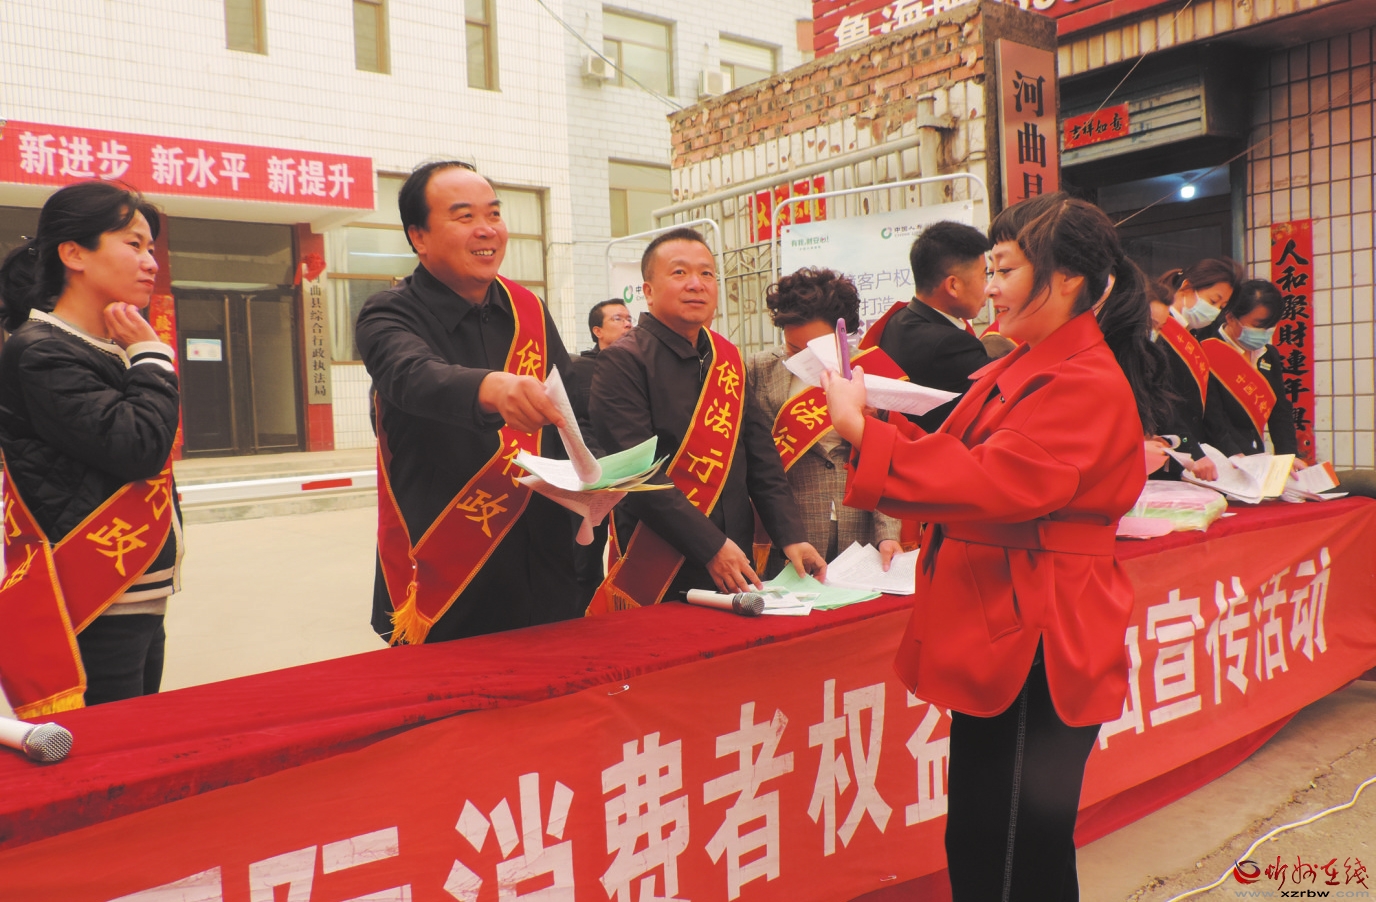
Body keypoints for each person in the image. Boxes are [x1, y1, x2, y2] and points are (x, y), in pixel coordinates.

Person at [823, 193, 1160, 901]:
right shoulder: (1030, 365)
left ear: (1066, 279)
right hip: (1014, 625)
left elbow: (993, 482)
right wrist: (876, 428)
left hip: (1036, 637)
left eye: (1005, 269)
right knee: (1006, 846)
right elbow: (964, 458)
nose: (992, 288)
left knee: (1003, 854)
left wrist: (863, 433)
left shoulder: (1079, 378)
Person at [355, 161, 580, 645]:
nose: (487, 229)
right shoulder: (387, 313)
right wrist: (493, 389)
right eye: (464, 216)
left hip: (550, 570)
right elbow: (413, 375)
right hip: (446, 578)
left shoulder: (528, 309)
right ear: (418, 236)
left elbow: (572, 409)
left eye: (494, 214)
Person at [0, 181, 182, 717]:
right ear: (74, 254)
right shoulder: (42, 352)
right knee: (109, 747)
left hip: (137, 592)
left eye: (151, 248)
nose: (150, 262)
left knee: (141, 738)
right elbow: (139, 447)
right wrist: (152, 356)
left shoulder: (108, 347)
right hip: (94, 599)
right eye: (133, 244)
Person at [587, 227, 825, 610]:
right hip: (662, 560)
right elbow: (638, 476)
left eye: (707, 273)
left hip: (737, 559)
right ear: (648, 291)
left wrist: (791, 536)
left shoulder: (726, 358)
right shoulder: (623, 362)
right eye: (679, 272)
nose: (696, 284)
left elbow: (761, 457)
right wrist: (712, 547)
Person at [747, 267, 902, 573]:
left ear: (842, 334)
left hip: (859, 530)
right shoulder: (758, 371)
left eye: (819, 349)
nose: (807, 358)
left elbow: (883, 459)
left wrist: (887, 534)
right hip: (789, 535)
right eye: (795, 349)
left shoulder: (867, 370)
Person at [866, 221, 993, 432]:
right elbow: (1009, 385)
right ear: (953, 285)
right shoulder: (949, 344)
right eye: (984, 275)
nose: (990, 288)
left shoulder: (898, 320)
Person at [563, 297, 633, 603]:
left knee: (631, 553)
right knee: (586, 557)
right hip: (594, 477)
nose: (627, 324)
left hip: (634, 475)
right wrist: (599, 464)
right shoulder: (579, 370)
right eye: (618, 319)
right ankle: (583, 612)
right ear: (597, 331)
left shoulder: (638, 367)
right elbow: (574, 423)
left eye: (629, 319)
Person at [1197, 279, 1301, 462]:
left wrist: (1288, 457)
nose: (1265, 332)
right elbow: (1214, 418)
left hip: (1255, 455)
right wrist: (1249, 456)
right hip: (1222, 456)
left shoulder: (1269, 355)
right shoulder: (1207, 352)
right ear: (1230, 317)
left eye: (1270, 326)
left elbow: (1279, 411)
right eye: (1258, 325)